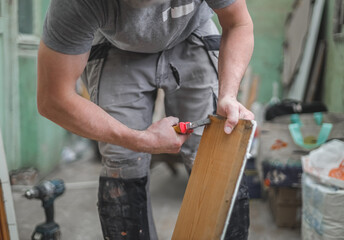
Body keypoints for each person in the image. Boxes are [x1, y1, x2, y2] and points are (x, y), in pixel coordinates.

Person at [37, 0, 254, 239]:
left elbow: (238, 23)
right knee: (123, 162)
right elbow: (53, 99)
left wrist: (228, 95)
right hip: (115, 43)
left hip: (192, 32)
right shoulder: (76, 4)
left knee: (214, 152)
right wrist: (140, 140)